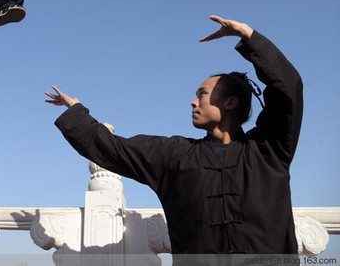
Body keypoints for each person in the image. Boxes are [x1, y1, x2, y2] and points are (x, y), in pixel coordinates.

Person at [45, 15, 303, 260]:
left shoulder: (268, 150)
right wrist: (77, 112)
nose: (193, 102)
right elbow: (113, 149)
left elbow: (288, 90)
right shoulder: (175, 156)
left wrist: (249, 36)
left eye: (202, 94)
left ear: (231, 102)